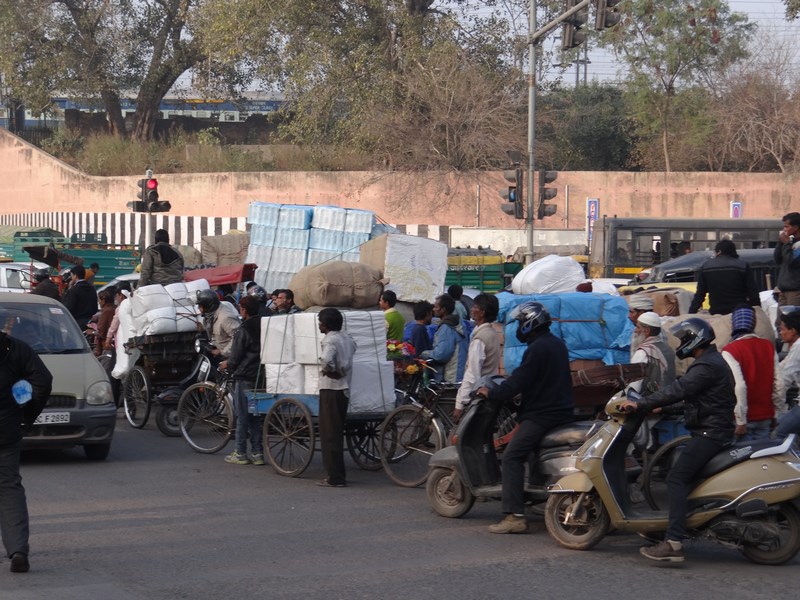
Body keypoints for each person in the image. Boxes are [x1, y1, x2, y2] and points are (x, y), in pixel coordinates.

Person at [620, 318, 735, 563]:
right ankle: (683, 524)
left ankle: (673, 543)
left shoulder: (705, 367)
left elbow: (677, 390)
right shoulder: (711, 362)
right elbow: (697, 401)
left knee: (676, 478)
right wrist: (665, 410)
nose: (682, 344)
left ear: (695, 341)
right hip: (714, 430)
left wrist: (641, 403)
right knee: (684, 476)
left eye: (684, 340)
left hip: (710, 434)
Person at [477, 302, 575, 534]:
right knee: (529, 450)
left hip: (544, 414)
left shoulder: (538, 348)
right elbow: (533, 378)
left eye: (521, 323)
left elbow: (521, 378)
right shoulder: (555, 344)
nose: (519, 327)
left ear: (531, 323)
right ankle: (537, 491)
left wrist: (493, 392)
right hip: (560, 410)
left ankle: (515, 516)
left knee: (511, 457)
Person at [0, 329, 53, 573]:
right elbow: (43, 379)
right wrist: (28, 413)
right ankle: (18, 550)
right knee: (9, 488)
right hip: (6, 431)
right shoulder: (14, 347)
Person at [721, 304, 784, 441]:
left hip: (745, 420)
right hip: (766, 416)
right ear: (753, 323)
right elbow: (778, 384)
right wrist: (777, 413)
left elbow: (740, 386)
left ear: (734, 324)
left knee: (744, 460)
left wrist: (741, 420)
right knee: (764, 459)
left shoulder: (730, 350)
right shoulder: (768, 346)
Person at [219, 296, 265, 466]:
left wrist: (226, 364)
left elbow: (236, 357)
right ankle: (257, 452)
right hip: (261, 377)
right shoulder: (265, 325)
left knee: (243, 415)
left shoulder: (243, 329)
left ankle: (240, 452)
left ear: (244, 310)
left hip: (245, 375)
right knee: (255, 416)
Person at [316, 308, 356, 488]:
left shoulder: (330, 340)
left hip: (331, 389)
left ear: (326, 324)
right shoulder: (347, 338)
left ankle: (334, 477)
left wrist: (331, 370)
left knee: (329, 435)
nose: (319, 325)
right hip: (344, 389)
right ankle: (338, 474)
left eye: (320, 322)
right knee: (336, 433)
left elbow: (326, 360)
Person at [453, 294, 501, 423]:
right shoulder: (492, 333)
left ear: (482, 313)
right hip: (489, 388)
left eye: (475, 307)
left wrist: (460, 403)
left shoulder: (480, 339)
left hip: (478, 394)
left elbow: (472, 374)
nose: (472, 310)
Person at [688, 239, 759, 315]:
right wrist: (757, 310)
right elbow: (753, 293)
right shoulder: (743, 265)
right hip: (739, 314)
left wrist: (691, 313)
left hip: (717, 313)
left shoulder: (706, 267)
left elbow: (700, 294)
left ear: (719, 251)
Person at [419, 294, 468, 383]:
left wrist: (425, 353)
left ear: (443, 309)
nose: (433, 309)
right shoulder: (457, 322)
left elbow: (441, 355)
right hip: (458, 374)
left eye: (436, 307)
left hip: (450, 377)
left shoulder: (446, 328)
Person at [631, 312, 676, 394]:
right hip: (670, 398)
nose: (635, 330)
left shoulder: (642, 352)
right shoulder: (669, 349)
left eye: (638, 327)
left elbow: (634, 386)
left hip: (649, 402)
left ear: (647, 331)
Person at [774, 306, 800, 437]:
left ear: (793, 331)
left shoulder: (798, 347)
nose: (780, 333)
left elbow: (785, 379)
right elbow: (782, 366)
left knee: (778, 432)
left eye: (782, 329)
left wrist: (776, 406)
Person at [197, 289, 240, 360]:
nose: (199, 308)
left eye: (200, 306)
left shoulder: (225, 318)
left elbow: (238, 338)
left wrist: (223, 352)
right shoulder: (211, 314)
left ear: (208, 306)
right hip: (216, 352)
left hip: (229, 357)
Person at [774, 212, 800, 313]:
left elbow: (792, 262)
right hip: (783, 288)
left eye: (787, 226)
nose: (784, 229)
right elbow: (777, 259)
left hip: (796, 290)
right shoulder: (789, 242)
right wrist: (780, 243)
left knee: (792, 321)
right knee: (780, 323)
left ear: (796, 227)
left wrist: (786, 244)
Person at [61, 265, 98, 330]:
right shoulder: (92, 288)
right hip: (89, 323)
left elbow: (69, 308)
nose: (71, 277)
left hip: (75, 323)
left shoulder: (74, 290)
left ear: (75, 275)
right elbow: (95, 308)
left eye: (72, 275)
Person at [627, 294, 654, 358]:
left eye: (632, 312)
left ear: (641, 313)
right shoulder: (637, 330)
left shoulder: (655, 334)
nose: (629, 316)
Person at [93, 288, 117, 357]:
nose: (99, 302)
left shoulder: (106, 311)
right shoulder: (115, 308)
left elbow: (101, 331)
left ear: (103, 300)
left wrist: (93, 332)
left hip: (106, 344)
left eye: (99, 300)